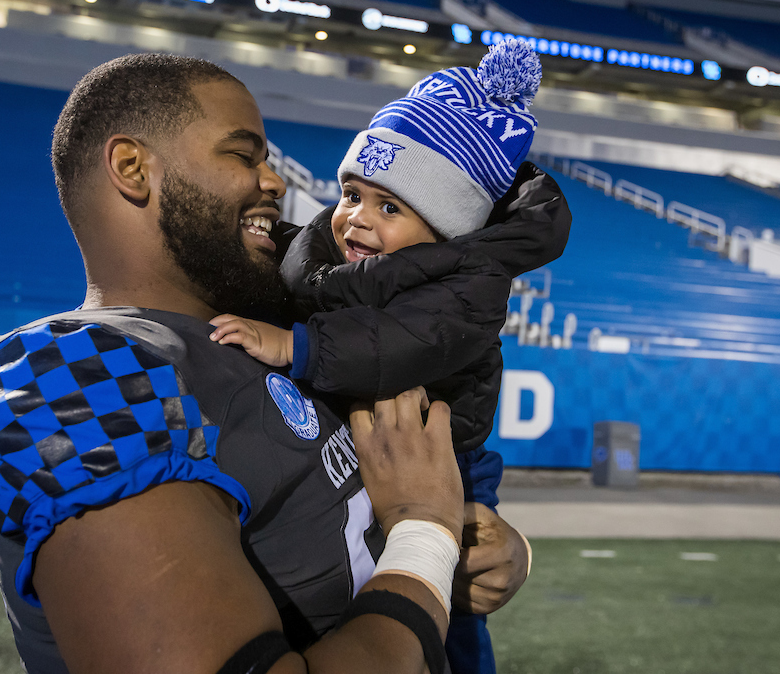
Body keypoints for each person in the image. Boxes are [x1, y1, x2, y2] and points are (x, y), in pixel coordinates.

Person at [0, 53, 531, 674]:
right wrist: (424, 535)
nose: (274, 182)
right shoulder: (69, 374)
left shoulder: (282, 328)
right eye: (243, 155)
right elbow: (414, 515)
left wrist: (484, 550)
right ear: (133, 168)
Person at [208, 39, 571, 673]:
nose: (355, 220)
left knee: (450, 625)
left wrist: (297, 345)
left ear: (445, 227)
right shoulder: (346, 256)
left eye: (391, 207)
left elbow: (397, 346)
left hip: (450, 457)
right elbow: (303, 266)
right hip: (376, 455)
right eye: (351, 194)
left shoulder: (466, 283)